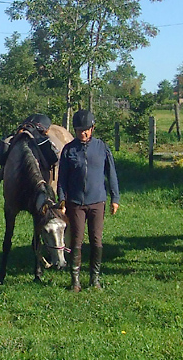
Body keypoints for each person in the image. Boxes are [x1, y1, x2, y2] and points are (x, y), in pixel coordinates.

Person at [57, 109, 119, 292]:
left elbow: (111, 174)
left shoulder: (102, 148)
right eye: (78, 130)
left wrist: (115, 197)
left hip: (97, 201)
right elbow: (62, 178)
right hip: (75, 202)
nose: (82, 134)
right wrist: (62, 199)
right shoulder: (69, 150)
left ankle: (95, 278)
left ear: (92, 128)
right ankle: (75, 280)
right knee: (76, 241)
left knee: (96, 240)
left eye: (85, 130)